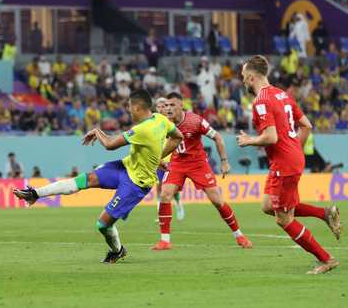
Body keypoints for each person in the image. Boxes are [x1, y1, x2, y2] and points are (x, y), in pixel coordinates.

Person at [14, 90, 183, 263]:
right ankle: (35, 193)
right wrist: (158, 157)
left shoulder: (142, 130)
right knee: (85, 179)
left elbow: (109, 145)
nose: (128, 110)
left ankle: (117, 250)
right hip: (125, 167)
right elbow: (178, 136)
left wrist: (97, 131)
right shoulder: (161, 120)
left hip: (136, 183)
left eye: (130, 106)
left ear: (138, 107)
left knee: (102, 225)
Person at [237, 55, 341, 274]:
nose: (243, 81)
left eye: (244, 77)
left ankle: (326, 259)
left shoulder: (261, 101)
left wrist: (249, 140)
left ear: (252, 77)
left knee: (283, 219)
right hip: (289, 159)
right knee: (268, 205)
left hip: (284, 163)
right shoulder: (282, 94)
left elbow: (271, 137)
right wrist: (294, 149)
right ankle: (325, 213)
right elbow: (307, 124)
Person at [153, 92, 252, 250]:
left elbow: (217, 137)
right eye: (166, 105)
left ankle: (239, 235)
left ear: (181, 106)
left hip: (198, 163)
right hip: (177, 162)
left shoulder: (195, 121)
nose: (169, 108)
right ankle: (165, 241)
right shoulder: (162, 123)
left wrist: (224, 162)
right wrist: (158, 160)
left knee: (217, 201)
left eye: (172, 105)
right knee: (165, 194)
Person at [154, 98, 184, 220]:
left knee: (172, 189)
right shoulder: (154, 121)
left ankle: (179, 206)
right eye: (159, 106)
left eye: (163, 106)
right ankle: (159, 213)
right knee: (159, 187)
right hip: (159, 159)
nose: (161, 109)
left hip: (172, 159)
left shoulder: (171, 122)